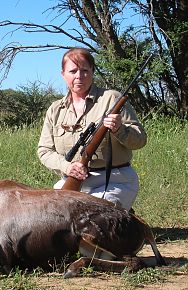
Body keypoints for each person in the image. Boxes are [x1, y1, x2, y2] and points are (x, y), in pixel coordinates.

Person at [37, 47, 147, 211]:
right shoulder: (55, 109)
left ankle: (124, 220)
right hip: (74, 179)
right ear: (63, 74)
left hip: (115, 179)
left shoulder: (112, 99)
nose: (79, 76)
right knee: (49, 215)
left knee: (90, 216)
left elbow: (140, 140)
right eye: (73, 71)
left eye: (84, 71)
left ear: (93, 72)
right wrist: (68, 167)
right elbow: (44, 150)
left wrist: (119, 130)